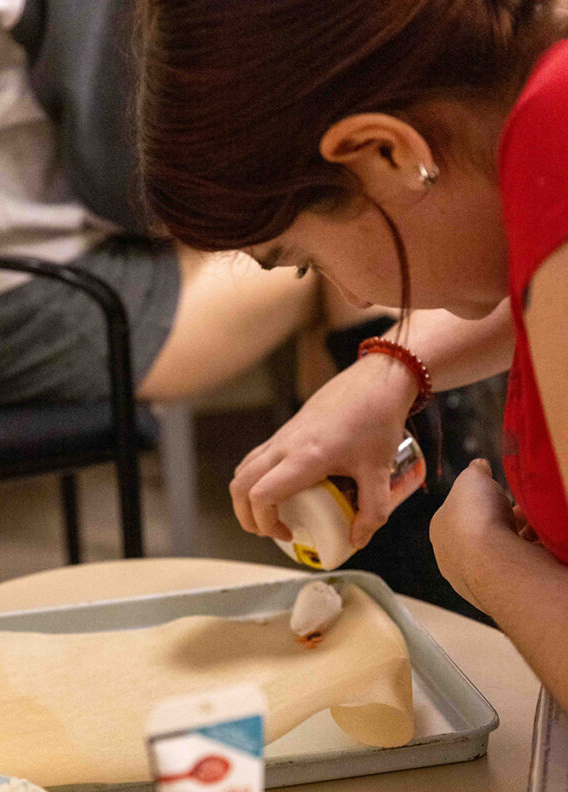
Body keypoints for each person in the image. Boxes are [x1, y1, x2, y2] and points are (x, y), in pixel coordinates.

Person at [137, 0, 568, 704]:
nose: (337, 285)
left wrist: (489, 568)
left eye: (304, 259)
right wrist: (389, 371)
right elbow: (540, 281)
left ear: (387, 152)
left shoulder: (555, 129)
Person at [0, 0, 326, 414]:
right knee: (340, 246)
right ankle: (353, 470)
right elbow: (127, 188)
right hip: (52, 309)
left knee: (316, 230)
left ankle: (337, 460)